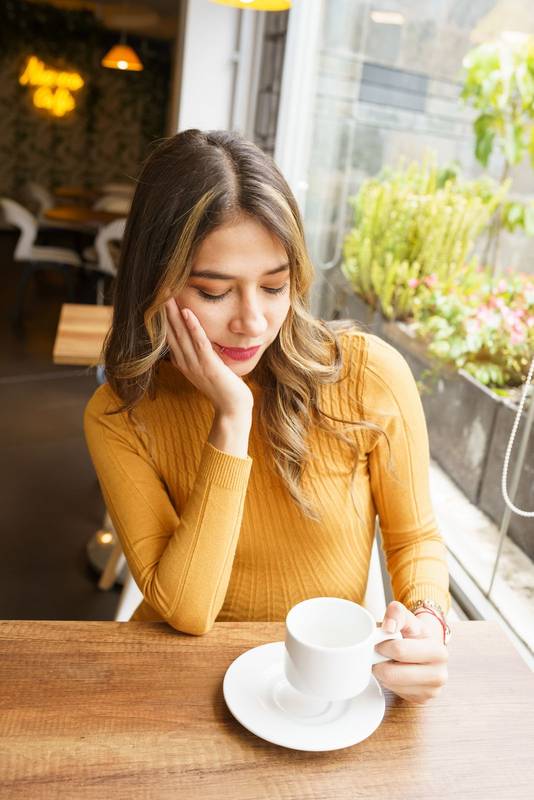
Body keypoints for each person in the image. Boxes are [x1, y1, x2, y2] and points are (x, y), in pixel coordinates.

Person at [84, 129, 450, 705]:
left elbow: (415, 538)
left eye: (275, 286)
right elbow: (187, 610)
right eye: (214, 292)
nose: (252, 322)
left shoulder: (367, 375)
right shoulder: (119, 414)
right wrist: (232, 416)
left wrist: (427, 620)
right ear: (153, 282)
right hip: (180, 684)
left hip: (319, 687)